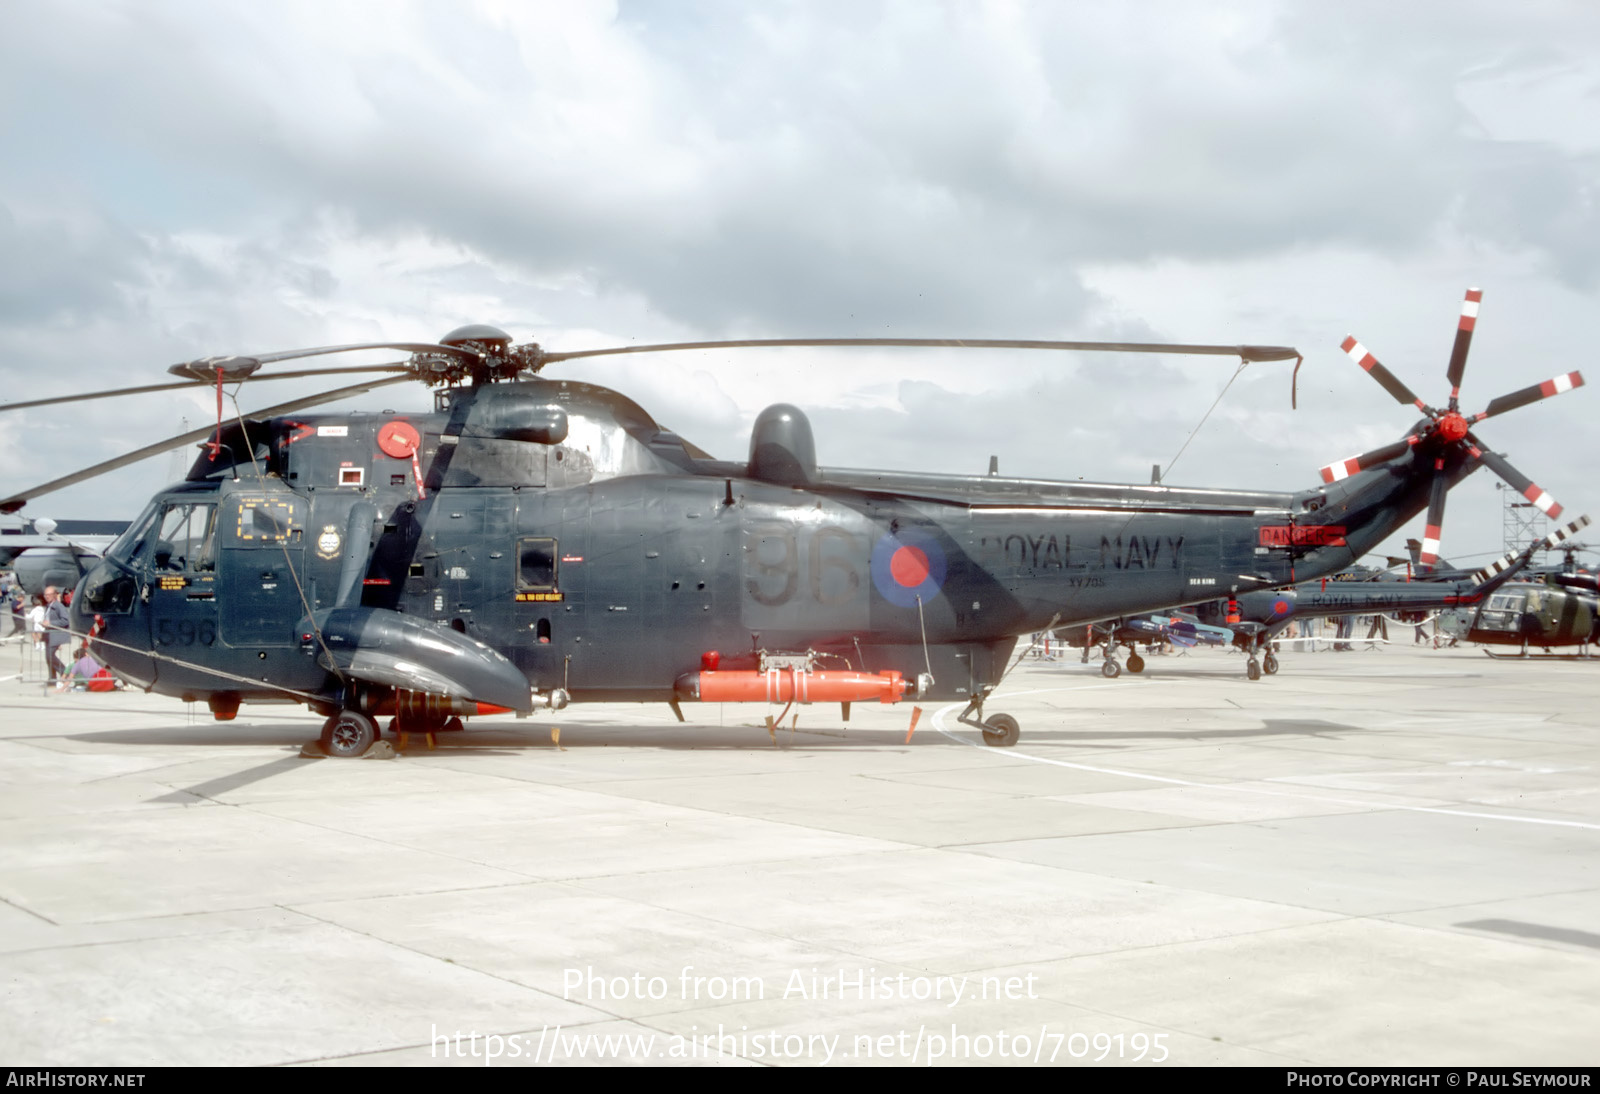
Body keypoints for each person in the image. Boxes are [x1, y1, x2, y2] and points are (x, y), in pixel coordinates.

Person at [43, 585, 72, 686]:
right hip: (48, 635)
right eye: (45, 595)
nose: (47, 596)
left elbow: (65, 620)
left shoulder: (59, 606)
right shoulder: (48, 606)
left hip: (56, 635)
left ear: (55, 595)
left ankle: (65, 672)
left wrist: (50, 623)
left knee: (50, 656)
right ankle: (52, 678)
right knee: (48, 657)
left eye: (49, 594)